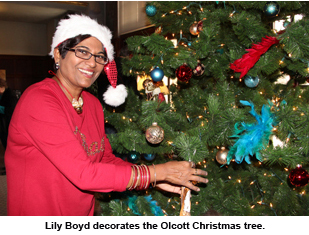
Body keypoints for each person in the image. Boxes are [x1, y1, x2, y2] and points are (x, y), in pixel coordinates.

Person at [5, 14, 208, 216]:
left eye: (99, 56)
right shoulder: (39, 100)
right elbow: (85, 174)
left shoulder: (92, 104)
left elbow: (104, 160)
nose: (92, 64)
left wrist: (153, 178)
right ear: (59, 54)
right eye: (82, 51)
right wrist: (157, 172)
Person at [0, 78, 18, 149]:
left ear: (2, 86)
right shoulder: (2, 94)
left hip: (9, 121)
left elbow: (12, 109)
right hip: (3, 122)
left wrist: (1, 108)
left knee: (8, 140)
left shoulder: (10, 94)